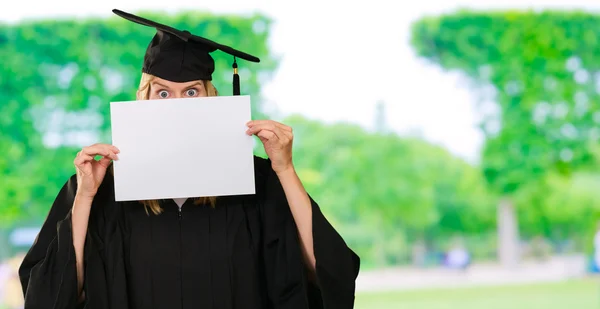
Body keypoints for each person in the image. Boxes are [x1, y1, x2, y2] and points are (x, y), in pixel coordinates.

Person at [18, 9, 360, 309]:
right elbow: (53, 295)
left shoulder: (257, 180)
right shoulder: (99, 183)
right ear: (144, 98)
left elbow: (328, 272)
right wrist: (86, 195)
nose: (177, 104)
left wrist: (284, 169)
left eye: (191, 91)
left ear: (210, 97)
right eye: (163, 92)